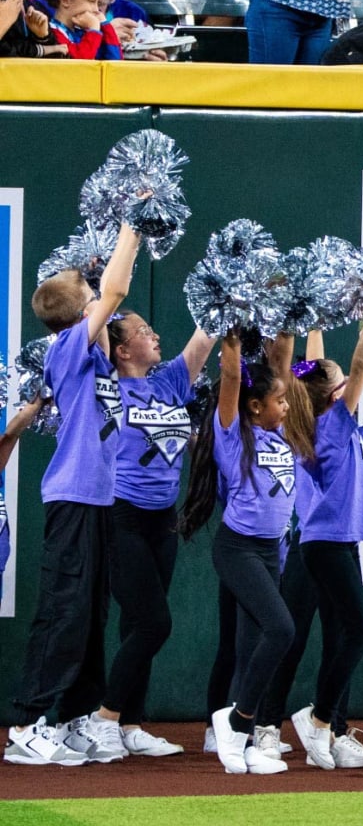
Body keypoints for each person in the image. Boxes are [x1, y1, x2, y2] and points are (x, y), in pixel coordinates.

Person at [2, 223, 138, 768]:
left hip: (100, 501)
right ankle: (29, 723)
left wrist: (97, 266)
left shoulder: (96, 357)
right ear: (83, 313)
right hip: (73, 499)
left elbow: (108, 295)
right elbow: (117, 293)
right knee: (63, 609)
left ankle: (74, 719)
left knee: (90, 613)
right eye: (89, 293)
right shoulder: (65, 348)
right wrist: (132, 225)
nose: (97, 294)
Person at [178, 333, 308, 775]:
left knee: (253, 646)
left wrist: (287, 324)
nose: (286, 405)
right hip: (238, 549)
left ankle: (244, 740)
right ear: (255, 406)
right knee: (281, 629)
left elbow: (281, 365)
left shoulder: (280, 433)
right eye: (279, 401)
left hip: (271, 552)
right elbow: (232, 376)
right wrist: (229, 330)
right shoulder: (234, 434)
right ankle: (234, 724)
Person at [88, 314, 211, 759]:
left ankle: (129, 723)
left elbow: (204, 337)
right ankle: (102, 718)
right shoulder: (105, 384)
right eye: (143, 332)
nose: (155, 334)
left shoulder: (170, 383)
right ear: (120, 350)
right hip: (121, 513)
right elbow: (92, 324)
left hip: (164, 520)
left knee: (136, 624)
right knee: (154, 623)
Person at [281, 324, 363, 771]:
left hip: (338, 544)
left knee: (343, 637)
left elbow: (316, 373)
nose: (353, 389)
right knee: (360, 632)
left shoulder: (331, 426)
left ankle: (328, 724)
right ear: (335, 397)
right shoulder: (329, 427)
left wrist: (315, 324)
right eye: (345, 387)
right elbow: (360, 366)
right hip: (325, 546)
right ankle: (319, 719)